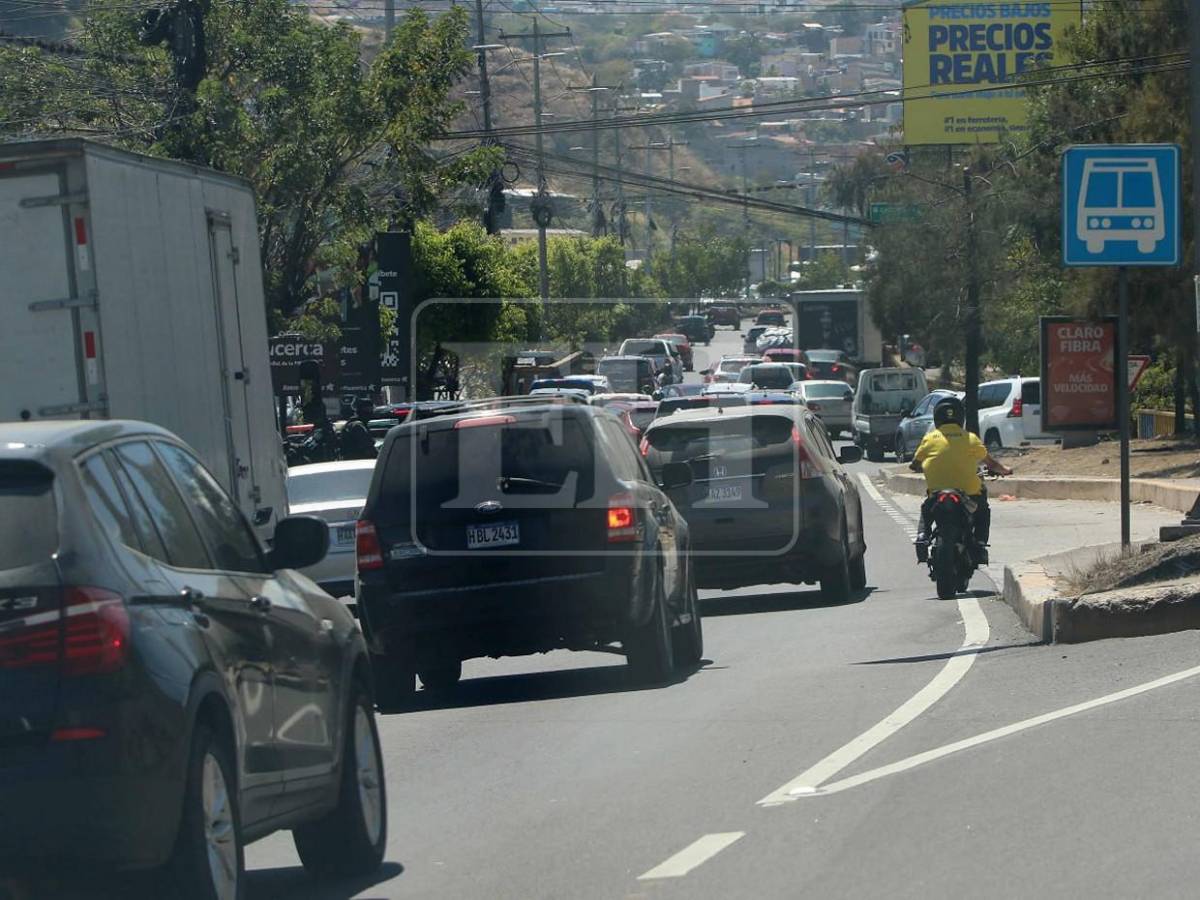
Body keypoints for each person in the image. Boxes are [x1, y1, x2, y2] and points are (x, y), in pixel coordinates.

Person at [909, 396, 1012, 565]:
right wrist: (1006, 471)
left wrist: (926, 466)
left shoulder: (929, 439)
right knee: (983, 509)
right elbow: (991, 464)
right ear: (960, 417)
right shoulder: (970, 439)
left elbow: (914, 464)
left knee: (927, 510)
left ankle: (922, 536)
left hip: (937, 494)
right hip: (968, 495)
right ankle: (979, 542)